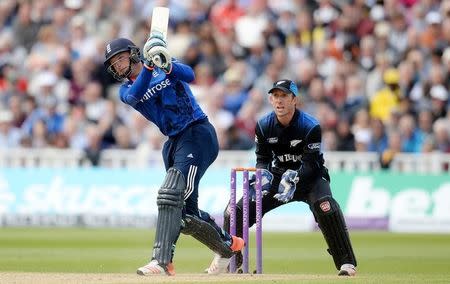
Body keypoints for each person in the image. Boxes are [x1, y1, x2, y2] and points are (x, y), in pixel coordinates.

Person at [103, 35, 244, 276]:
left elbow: (189, 75)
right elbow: (136, 95)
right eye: (113, 63)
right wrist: (150, 66)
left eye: (120, 58)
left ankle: (161, 261)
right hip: (174, 142)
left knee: (172, 197)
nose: (117, 65)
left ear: (133, 52)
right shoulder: (126, 89)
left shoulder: (160, 64)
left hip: (197, 133)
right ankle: (230, 246)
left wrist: (166, 64)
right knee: (186, 214)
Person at [218, 79, 357, 276]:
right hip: (278, 176)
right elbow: (263, 159)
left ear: (294, 100)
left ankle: (346, 263)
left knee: (326, 207)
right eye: (275, 96)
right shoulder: (264, 125)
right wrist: (262, 177)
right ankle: (233, 259)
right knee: (234, 211)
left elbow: (310, 164)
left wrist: (295, 178)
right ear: (270, 99)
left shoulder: (310, 126)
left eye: (284, 96)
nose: (279, 100)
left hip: (310, 178)